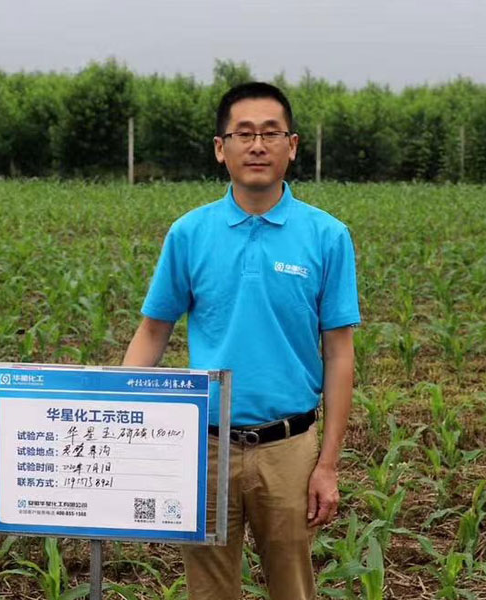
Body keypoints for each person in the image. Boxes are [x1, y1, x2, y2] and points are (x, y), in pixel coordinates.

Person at [122, 82, 360, 600]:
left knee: (293, 587)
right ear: (220, 147)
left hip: (290, 447)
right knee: (208, 589)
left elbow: (339, 354)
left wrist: (328, 465)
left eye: (270, 133)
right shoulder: (190, 233)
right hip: (204, 446)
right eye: (243, 133)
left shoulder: (327, 236)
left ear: (291, 146)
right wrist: (122, 424)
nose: (257, 145)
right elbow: (153, 331)